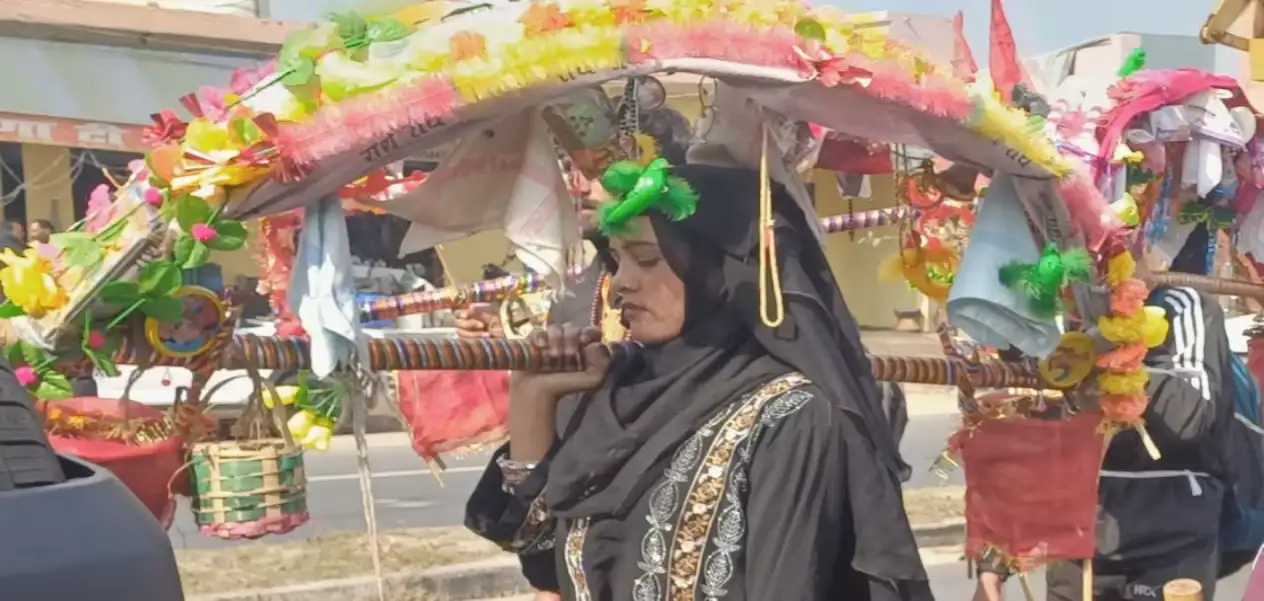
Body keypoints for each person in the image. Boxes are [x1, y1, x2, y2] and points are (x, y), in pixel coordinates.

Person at [465, 164, 931, 601]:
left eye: (647, 259)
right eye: (616, 259)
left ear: (720, 269)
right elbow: (541, 556)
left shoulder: (790, 415)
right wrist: (531, 395)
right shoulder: (620, 394)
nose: (621, 282)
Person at [975, 222, 1236, 601]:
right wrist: (993, 558)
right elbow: (1029, 444)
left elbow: (1192, 417)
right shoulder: (1047, 321)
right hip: (1074, 548)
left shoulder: (1183, 307)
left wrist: (1115, 363)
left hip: (1170, 544)